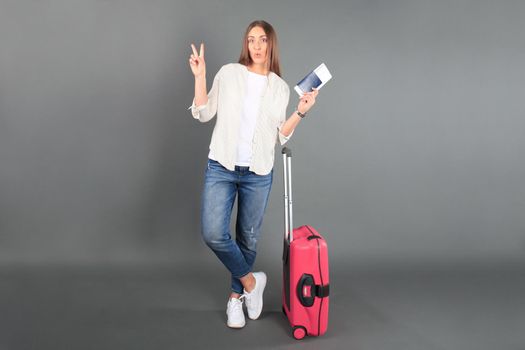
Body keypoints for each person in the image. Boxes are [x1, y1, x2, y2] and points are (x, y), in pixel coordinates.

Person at [188, 20, 319, 329]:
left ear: (271, 44)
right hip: (221, 166)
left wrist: (300, 112)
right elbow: (204, 113)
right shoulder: (229, 73)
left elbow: (279, 135)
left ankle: (236, 298)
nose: (257, 46)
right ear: (245, 45)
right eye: (251, 40)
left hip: (258, 172)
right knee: (213, 233)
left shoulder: (280, 87)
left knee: (247, 238)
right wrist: (200, 76)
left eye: (262, 40)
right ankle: (251, 283)